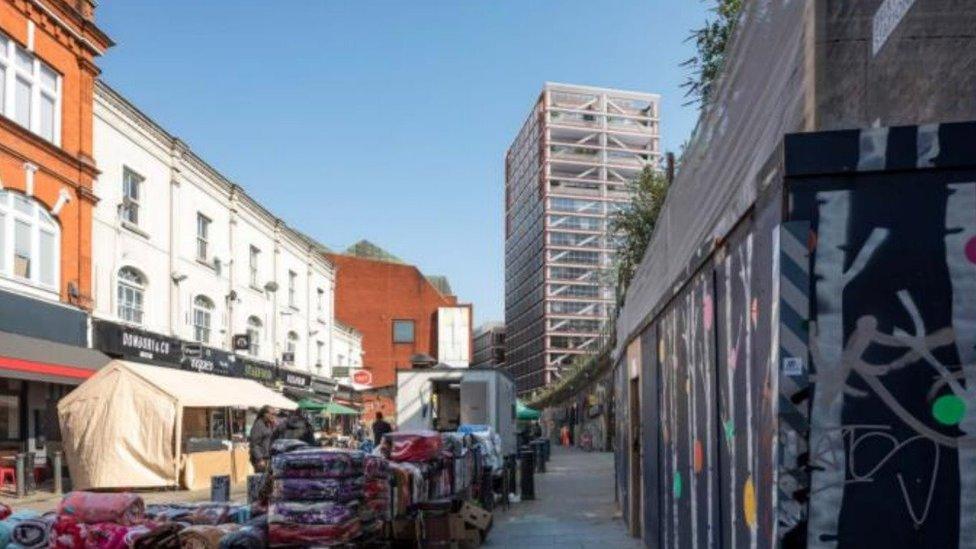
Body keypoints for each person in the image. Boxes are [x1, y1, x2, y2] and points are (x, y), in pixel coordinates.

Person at [249, 405, 277, 472]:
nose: (274, 416)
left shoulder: (269, 425)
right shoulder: (258, 426)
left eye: (275, 414)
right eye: (272, 414)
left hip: (269, 458)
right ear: (265, 414)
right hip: (261, 459)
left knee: (269, 480)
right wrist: (259, 459)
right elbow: (254, 444)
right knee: (262, 480)